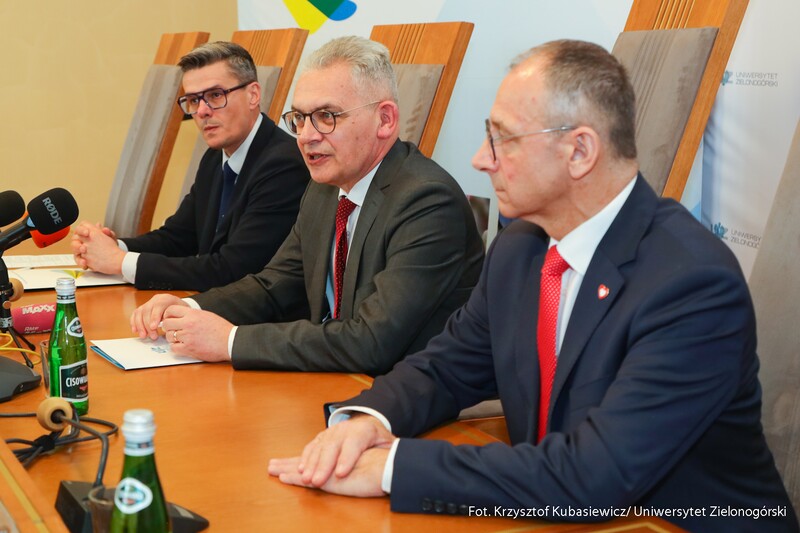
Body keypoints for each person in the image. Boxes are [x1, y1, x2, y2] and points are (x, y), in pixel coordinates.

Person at [268, 40, 798, 532]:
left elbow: (592, 478)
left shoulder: (691, 283)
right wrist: (365, 420)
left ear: (579, 151)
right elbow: (447, 367)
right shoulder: (520, 249)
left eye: (503, 139)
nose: (481, 159)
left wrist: (394, 468)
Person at [129, 36, 484, 376]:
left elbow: (371, 341)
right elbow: (274, 285)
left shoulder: (427, 201)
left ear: (385, 120)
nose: (306, 136)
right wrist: (190, 308)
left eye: (327, 116)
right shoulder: (324, 189)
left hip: (404, 397)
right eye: (299, 118)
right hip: (331, 375)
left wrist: (230, 341)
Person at [71, 41, 309, 292]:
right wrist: (114, 247)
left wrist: (120, 262)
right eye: (194, 100)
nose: (202, 111)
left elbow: (233, 270)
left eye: (215, 95)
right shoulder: (214, 158)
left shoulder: (284, 165)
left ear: (253, 95)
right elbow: (178, 237)